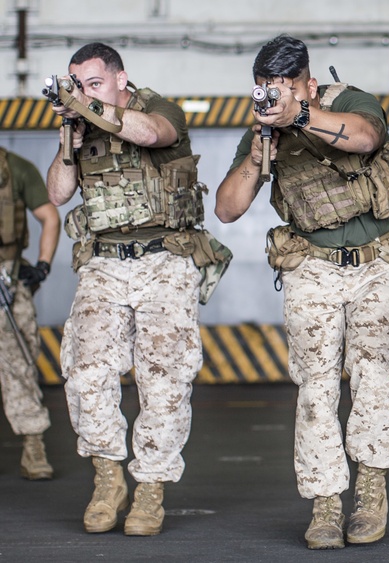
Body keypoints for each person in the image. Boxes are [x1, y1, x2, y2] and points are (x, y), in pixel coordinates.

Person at [216, 35, 389, 550]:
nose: (272, 98)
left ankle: (370, 493)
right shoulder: (265, 130)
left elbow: (367, 138)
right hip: (313, 268)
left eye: (280, 89)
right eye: (263, 89)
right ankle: (326, 502)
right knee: (316, 387)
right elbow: (227, 208)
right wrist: (262, 145)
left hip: (376, 265)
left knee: (374, 377)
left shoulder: (349, 101)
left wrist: (301, 117)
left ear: (307, 83)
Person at [46, 42, 224, 536]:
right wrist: (71, 136)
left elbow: (153, 133)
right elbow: (57, 194)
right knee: (85, 373)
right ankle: (108, 479)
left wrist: (89, 109)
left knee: (163, 381)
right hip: (103, 262)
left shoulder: (157, 108)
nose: (84, 93)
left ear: (121, 80)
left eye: (95, 83)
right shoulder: (79, 123)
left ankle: (149, 488)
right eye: (78, 85)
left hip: (165, 260)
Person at [0, 147, 59, 481]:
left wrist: (42, 266)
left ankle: (33, 444)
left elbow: (48, 216)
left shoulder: (16, 169)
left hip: (5, 275)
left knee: (19, 358)